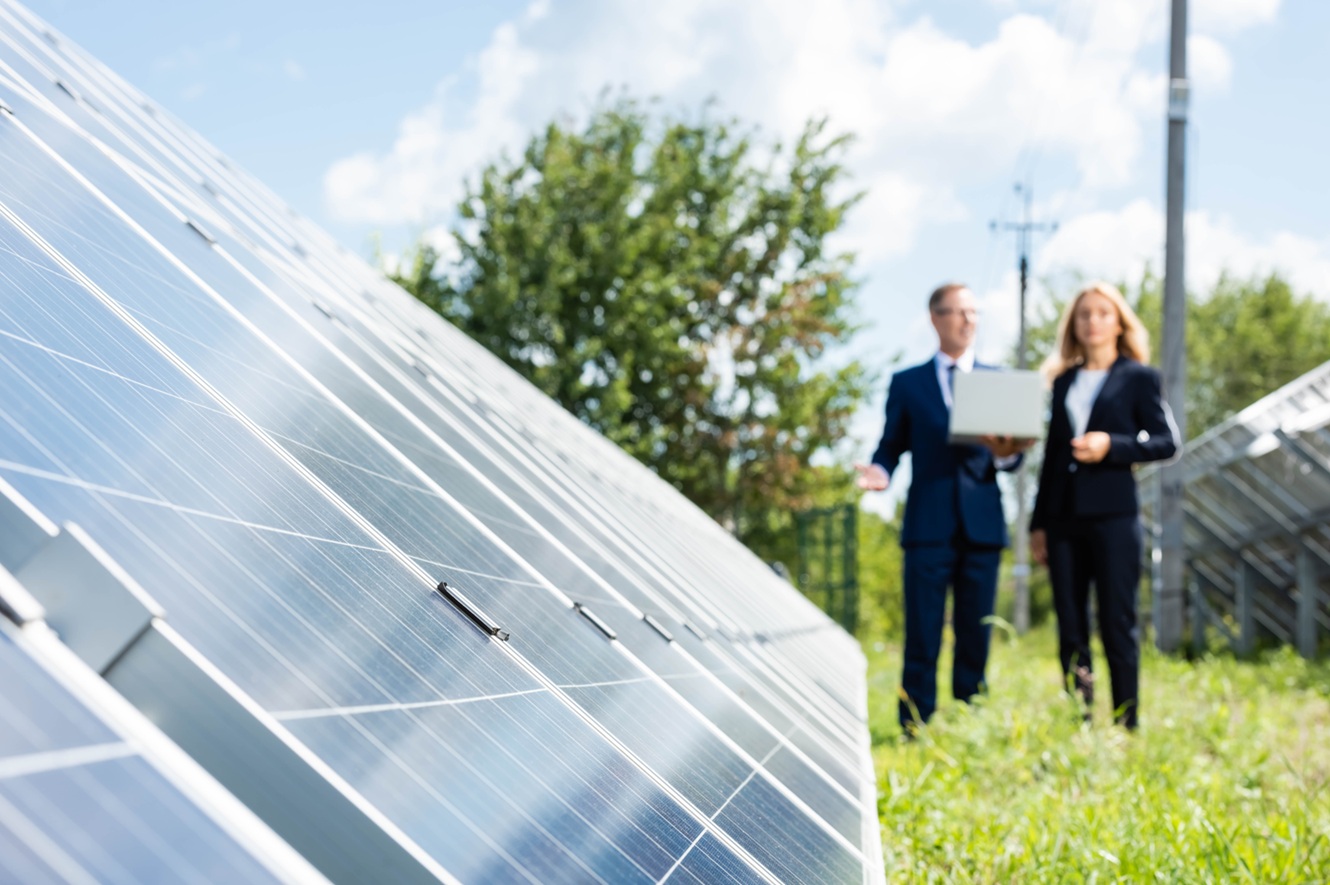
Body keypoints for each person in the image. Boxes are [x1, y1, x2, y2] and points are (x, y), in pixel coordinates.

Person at [855, 283, 1025, 734]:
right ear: (935, 318)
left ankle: (971, 718)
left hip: (982, 525)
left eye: (974, 312)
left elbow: (1013, 458)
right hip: (928, 525)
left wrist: (1004, 450)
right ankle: (915, 723)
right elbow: (891, 446)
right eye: (957, 312)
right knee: (923, 629)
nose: (968, 321)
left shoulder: (998, 379)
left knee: (976, 629)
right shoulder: (907, 383)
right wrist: (881, 472)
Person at [1029, 282, 1179, 730]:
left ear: (1118, 323)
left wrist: (1111, 445)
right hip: (1062, 521)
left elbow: (1166, 443)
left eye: (1102, 313)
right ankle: (1081, 717)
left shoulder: (1139, 377)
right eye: (1083, 315)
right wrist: (1038, 524)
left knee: (1117, 620)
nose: (1092, 321)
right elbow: (1052, 458)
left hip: (1115, 517)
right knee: (1071, 625)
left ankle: (1125, 721)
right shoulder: (1062, 382)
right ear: (1073, 326)